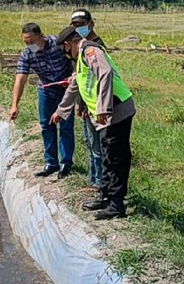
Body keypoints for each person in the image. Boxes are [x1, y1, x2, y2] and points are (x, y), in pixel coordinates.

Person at [50, 25, 136, 220]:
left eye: (63, 51)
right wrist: (61, 111)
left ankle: (116, 204)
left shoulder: (90, 50)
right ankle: (105, 195)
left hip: (116, 110)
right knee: (107, 155)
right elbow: (76, 85)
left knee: (116, 158)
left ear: (66, 44)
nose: (65, 55)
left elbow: (105, 74)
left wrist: (104, 108)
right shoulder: (81, 57)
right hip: (107, 113)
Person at [9, 22, 75, 178]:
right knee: (46, 125)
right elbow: (20, 79)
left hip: (66, 88)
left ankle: (66, 163)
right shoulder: (27, 54)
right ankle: (51, 163)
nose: (29, 45)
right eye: (26, 42)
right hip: (46, 89)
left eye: (32, 41)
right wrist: (14, 105)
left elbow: (74, 58)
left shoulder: (58, 44)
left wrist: (73, 76)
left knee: (65, 125)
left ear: (41, 36)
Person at [70, 9, 105, 192]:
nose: (78, 28)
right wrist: (79, 103)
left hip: (95, 105)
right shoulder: (82, 45)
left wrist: (95, 106)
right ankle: (93, 179)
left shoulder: (94, 46)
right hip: (86, 103)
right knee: (89, 143)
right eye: (75, 25)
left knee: (96, 145)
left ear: (91, 23)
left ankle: (98, 183)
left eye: (81, 24)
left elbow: (97, 79)